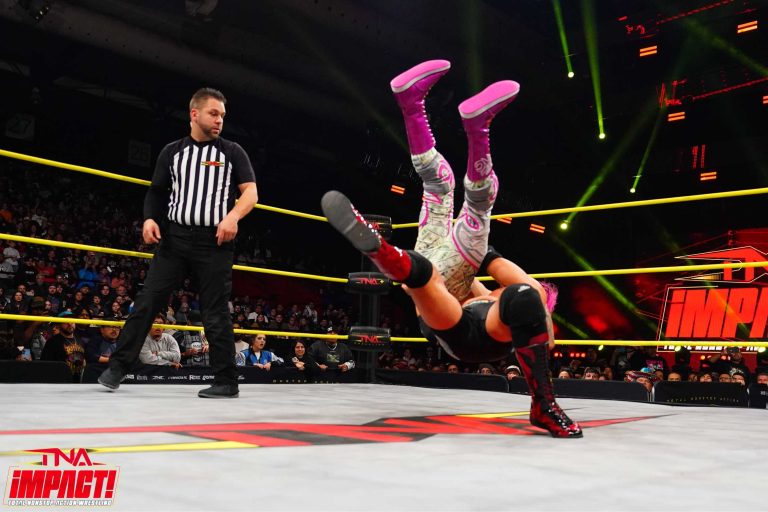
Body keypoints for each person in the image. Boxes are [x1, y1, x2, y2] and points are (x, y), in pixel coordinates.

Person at [321, 60, 581, 438]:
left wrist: (475, 250)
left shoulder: (518, 304)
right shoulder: (504, 299)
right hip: (449, 299)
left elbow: (507, 282)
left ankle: (466, 125)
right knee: (439, 187)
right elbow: (495, 279)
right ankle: (414, 108)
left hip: (463, 333)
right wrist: (474, 254)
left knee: (467, 222)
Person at [98, 87, 258, 398]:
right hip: (175, 238)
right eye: (213, 113)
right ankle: (117, 368)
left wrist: (233, 216)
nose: (219, 120)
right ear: (194, 114)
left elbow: (250, 191)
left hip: (214, 241)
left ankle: (227, 381)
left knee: (215, 311)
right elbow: (156, 191)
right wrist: (149, 219)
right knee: (148, 301)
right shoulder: (172, 152)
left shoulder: (232, 151)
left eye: (223, 115)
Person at [41, 311, 85, 382]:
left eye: (72, 321)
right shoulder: (52, 342)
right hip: (60, 381)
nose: (70, 324)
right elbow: (46, 364)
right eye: (65, 321)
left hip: (78, 380)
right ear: (59, 325)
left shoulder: (80, 340)